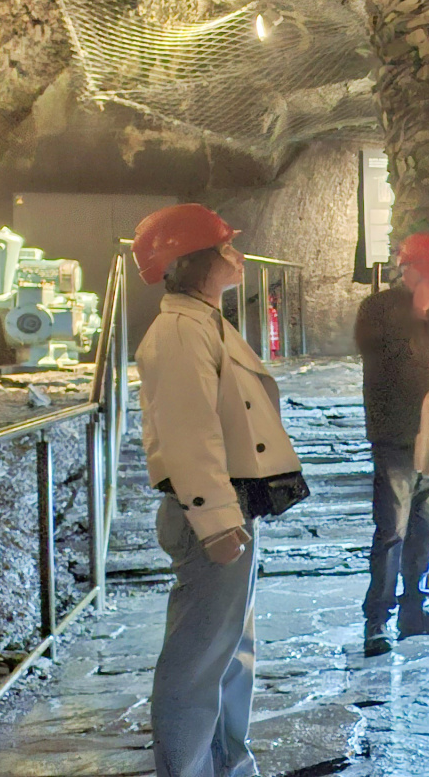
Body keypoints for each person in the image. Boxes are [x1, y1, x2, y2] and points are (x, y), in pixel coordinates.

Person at [134, 204, 303, 777]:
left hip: (230, 503)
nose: (236, 255)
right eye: (224, 248)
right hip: (212, 509)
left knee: (226, 652)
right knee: (199, 661)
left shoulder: (199, 321)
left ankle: (228, 765)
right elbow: (191, 436)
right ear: (190, 261)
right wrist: (216, 521)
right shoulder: (182, 331)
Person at [355, 232, 429, 656]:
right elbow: (387, 357)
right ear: (408, 271)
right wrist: (418, 314)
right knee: (391, 532)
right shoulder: (378, 309)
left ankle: (415, 609)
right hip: (395, 435)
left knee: (425, 528)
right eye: (428, 271)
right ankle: (377, 620)